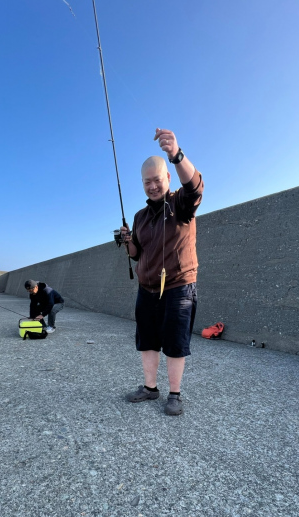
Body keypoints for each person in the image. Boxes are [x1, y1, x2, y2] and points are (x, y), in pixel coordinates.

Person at [120, 128, 204, 416]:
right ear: (142, 184)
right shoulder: (140, 217)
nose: (153, 186)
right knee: (147, 340)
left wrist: (176, 155)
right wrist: (128, 240)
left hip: (178, 286)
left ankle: (175, 395)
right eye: (148, 182)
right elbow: (137, 254)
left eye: (157, 179)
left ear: (167, 177)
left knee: (175, 342)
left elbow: (195, 187)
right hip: (147, 289)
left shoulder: (180, 203)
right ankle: (150, 388)